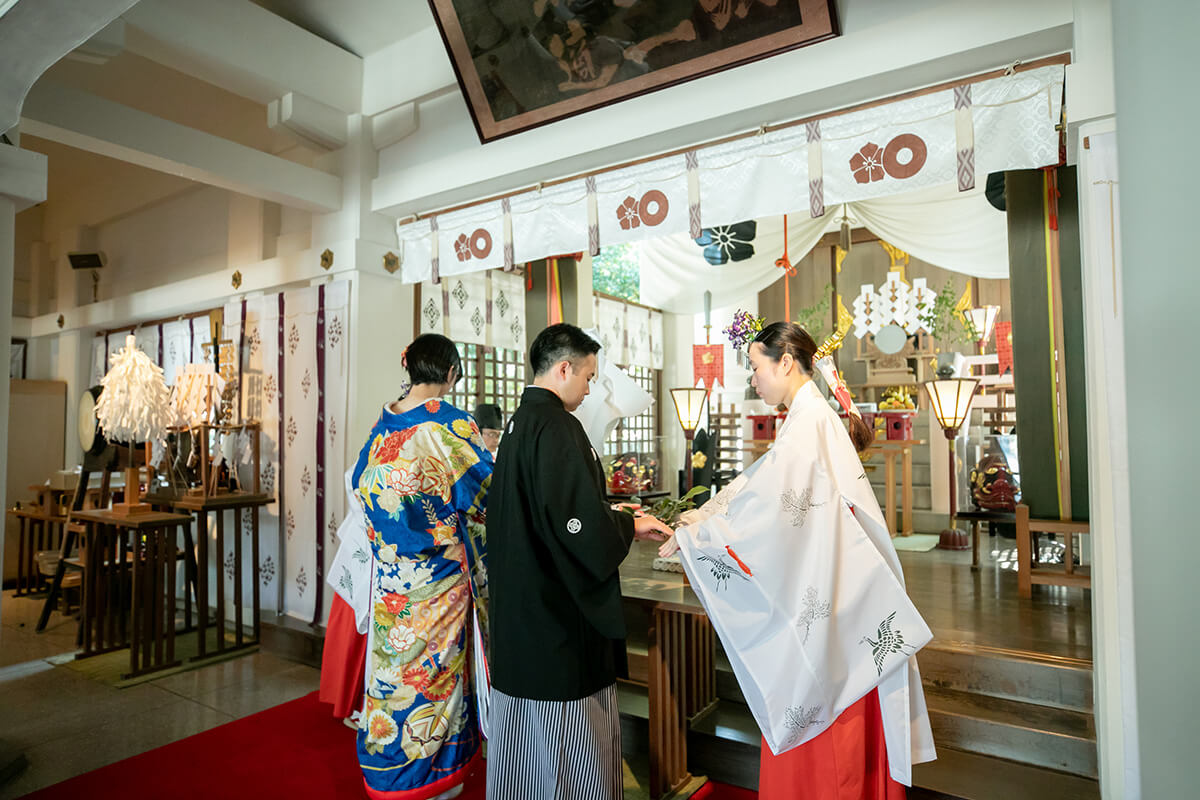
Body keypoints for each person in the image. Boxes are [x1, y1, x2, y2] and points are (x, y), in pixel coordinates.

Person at [659, 322, 936, 800]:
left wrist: (700, 533)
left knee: (825, 731)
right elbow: (765, 489)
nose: (753, 379)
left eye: (755, 367)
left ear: (785, 362)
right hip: (840, 597)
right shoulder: (811, 418)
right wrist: (702, 521)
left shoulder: (809, 422)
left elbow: (768, 508)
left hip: (837, 608)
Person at [485, 323, 673, 800]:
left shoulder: (518, 423)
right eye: (588, 377)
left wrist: (612, 514)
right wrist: (625, 526)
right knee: (569, 753)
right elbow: (578, 529)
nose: (590, 390)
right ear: (564, 368)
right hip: (555, 620)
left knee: (522, 757)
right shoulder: (557, 427)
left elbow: (555, 510)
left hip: (520, 610)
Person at [348, 333, 493, 800]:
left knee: (391, 673)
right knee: (435, 676)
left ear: (406, 365)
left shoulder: (384, 422)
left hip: (392, 579)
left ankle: (386, 764)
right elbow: (488, 494)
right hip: (437, 578)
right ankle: (432, 780)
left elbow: (361, 485)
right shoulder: (450, 427)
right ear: (451, 374)